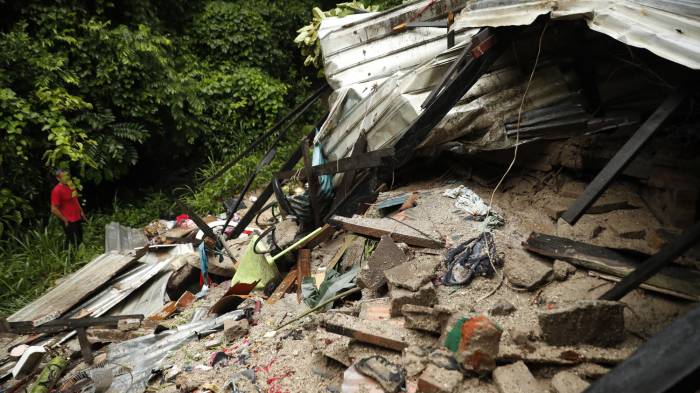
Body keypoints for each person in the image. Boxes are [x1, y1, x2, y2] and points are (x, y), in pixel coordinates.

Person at [50, 169, 86, 246]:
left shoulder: (70, 184)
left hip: (77, 217)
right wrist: (64, 220)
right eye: (63, 176)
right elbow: (53, 209)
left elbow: (75, 199)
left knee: (80, 239)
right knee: (73, 242)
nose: (66, 178)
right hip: (69, 220)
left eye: (67, 175)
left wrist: (81, 211)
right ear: (58, 178)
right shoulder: (57, 190)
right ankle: (71, 257)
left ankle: (81, 256)